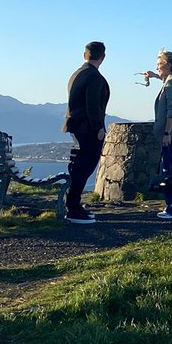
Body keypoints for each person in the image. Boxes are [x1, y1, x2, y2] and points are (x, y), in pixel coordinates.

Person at [61, 41, 111, 224]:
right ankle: (73, 207)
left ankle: (73, 203)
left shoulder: (78, 73)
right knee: (85, 165)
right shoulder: (93, 77)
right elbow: (92, 105)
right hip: (87, 128)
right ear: (103, 57)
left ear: (85, 55)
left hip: (76, 126)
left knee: (78, 165)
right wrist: (98, 127)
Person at [143, 50, 172, 219]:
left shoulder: (171, 84)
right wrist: (156, 76)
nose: (157, 66)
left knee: (171, 170)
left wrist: (166, 133)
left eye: (159, 64)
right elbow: (170, 81)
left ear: (168, 65)